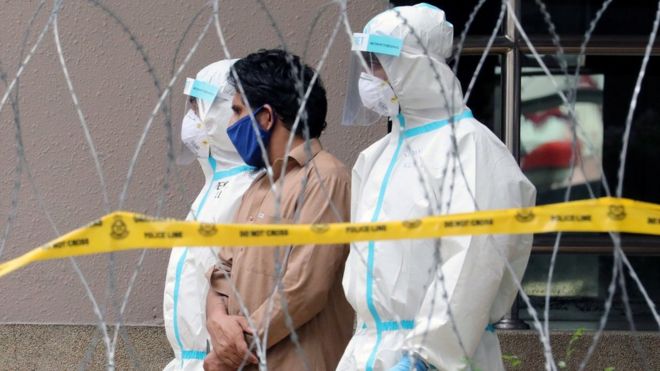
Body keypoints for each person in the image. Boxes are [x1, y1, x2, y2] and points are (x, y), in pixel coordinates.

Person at [338, 4, 536, 371]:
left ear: (415, 65)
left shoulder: (471, 149)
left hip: (440, 359)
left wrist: (427, 356)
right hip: (367, 352)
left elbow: (473, 263)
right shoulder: (375, 157)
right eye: (366, 64)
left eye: (379, 62)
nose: (370, 76)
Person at [204, 49, 354, 370]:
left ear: (266, 117)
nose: (231, 124)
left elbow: (304, 290)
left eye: (237, 111)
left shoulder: (326, 178)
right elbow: (222, 273)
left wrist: (229, 353)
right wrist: (217, 321)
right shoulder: (259, 185)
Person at [163, 59, 259, 371]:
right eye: (190, 106)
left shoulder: (254, 188)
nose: (193, 119)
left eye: (200, 106)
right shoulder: (214, 186)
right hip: (190, 360)